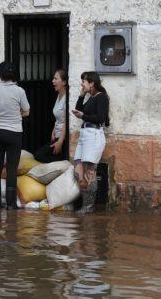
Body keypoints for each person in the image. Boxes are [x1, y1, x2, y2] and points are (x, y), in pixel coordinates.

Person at [0, 61, 30, 209]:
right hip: (13, 133)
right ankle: (11, 204)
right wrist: (15, 112)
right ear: (14, 75)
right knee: (12, 168)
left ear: (0, 74)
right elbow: (26, 111)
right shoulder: (19, 91)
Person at [71, 71, 109, 213]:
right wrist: (81, 95)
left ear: (92, 83)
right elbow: (79, 109)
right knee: (78, 169)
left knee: (89, 171)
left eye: (84, 81)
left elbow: (100, 118)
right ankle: (85, 204)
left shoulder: (101, 97)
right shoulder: (91, 97)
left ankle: (88, 206)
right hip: (85, 134)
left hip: (93, 135)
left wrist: (84, 116)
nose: (82, 84)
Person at [34, 69, 68, 163]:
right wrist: (53, 131)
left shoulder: (67, 98)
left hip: (62, 140)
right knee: (38, 155)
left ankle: (64, 161)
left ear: (64, 82)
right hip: (56, 136)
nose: (53, 81)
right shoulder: (59, 96)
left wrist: (60, 142)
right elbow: (58, 118)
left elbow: (66, 122)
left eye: (56, 78)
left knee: (39, 156)